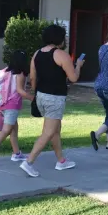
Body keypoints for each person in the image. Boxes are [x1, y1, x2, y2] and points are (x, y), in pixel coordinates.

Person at [19, 24, 84, 177]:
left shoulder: (37, 54)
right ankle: (28, 162)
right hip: (55, 98)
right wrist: (79, 66)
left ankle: (61, 161)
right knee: (48, 132)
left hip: (40, 96)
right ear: (59, 38)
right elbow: (73, 77)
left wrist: (36, 94)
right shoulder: (61, 55)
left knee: (55, 130)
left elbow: (33, 77)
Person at [0, 50, 34, 166]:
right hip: (12, 105)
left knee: (14, 130)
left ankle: (17, 154)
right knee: (6, 130)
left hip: (3, 104)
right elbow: (20, 91)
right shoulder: (20, 74)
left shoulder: (7, 72)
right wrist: (33, 98)